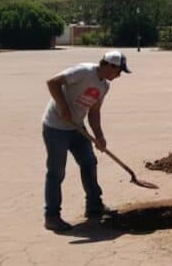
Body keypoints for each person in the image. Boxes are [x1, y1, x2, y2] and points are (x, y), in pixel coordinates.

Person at [42, 50, 131, 232]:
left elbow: (94, 111)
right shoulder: (83, 71)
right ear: (109, 65)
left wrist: (99, 136)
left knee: (89, 163)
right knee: (56, 172)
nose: (119, 75)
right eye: (118, 71)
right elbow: (52, 83)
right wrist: (63, 107)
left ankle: (94, 207)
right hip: (55, 127)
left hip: (76, 127)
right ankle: (52, 216)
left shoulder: (104, 86)